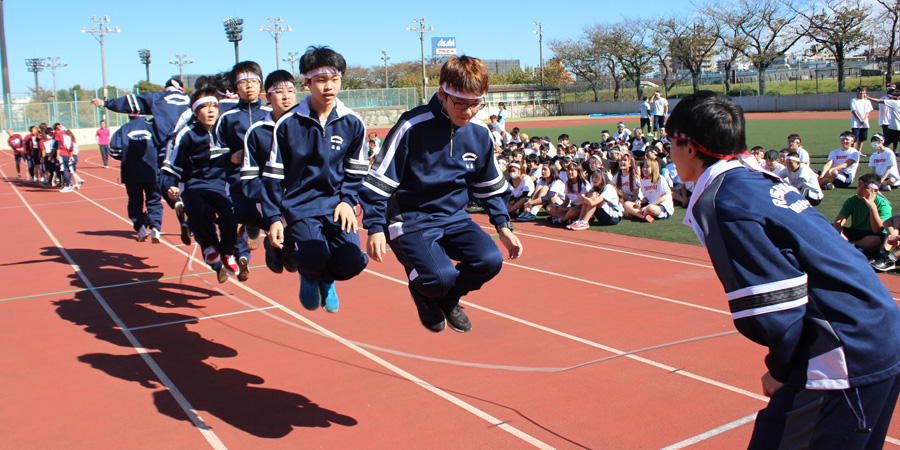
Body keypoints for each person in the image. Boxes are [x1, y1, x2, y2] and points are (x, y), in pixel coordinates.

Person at [668, 90, 900, 450]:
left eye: (671, 142)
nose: (670, 152)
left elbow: (776, 307)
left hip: (845, 350)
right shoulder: (756, 180)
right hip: (875, 328)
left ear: (689, 145)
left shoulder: (724, 200)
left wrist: (780, 370)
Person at [360, 55, 523, 333]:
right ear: (442, 94)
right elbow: (379, 182)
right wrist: (374, 228)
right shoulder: (412, 127)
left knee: (490, 260)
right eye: (460, 103)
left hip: (453, 216)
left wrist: (504, 226)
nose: (468, 111)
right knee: (439, 276)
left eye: (476, 104)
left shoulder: (480, 133)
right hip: (410, 218)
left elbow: (489, 186)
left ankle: (449, 299)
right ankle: (426, 294)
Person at [263, 46, 370, 313]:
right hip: (301, 206)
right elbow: (274, 176)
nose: (329, 87)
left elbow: (356, 171)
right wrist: (273, 218)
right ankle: (309, 275)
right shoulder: (287, 124)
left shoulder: (353, 123)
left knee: (353, 262)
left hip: (337, 205)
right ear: (307, 83)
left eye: (335, 79)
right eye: (321, 80)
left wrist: (347, 200)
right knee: (314, 255)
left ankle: (326, 278)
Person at [161, 88, 238, 284]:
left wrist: (233, 158)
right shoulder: (186, 134)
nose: (211, 110)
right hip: (193, 184)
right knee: (196, 211)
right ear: (195, 113)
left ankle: (228, 253)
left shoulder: (225, 130)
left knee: (230, 216)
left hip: (220, 185)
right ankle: (210, 246)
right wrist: (171, 185)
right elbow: (173, 163)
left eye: (214, 106)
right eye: (204, 106)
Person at [215, 61, 272, 282]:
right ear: (235, 87)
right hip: (236, 178)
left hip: (267, 177)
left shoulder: (270, 113)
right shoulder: (226, 117)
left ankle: (271, 245)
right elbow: (213, 148)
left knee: (271, 216)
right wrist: (228, 156)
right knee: (233, 217)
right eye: (243, 82)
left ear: (261, 85)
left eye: (254, 81)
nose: (249, 86)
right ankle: (239, 257)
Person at [242, 69, 299, 274]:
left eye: (290, 90)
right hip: (267, 198)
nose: (286, 96)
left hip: (299, 197)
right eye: (279, 91)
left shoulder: (307, 126)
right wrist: (269, 198)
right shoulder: (256, 131)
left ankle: (283, 245)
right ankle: (273, 240)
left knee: (295, 263)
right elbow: (249, 177)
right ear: (267, 96)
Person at [109, 114, 164, 243]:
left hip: (131, 173)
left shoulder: (124, 129)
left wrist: (128, 157)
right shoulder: (154, 128)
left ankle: (141, 228)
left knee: (135, 202)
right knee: (154, 200)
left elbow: (114, 150)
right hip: (152, 171)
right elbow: (164, 147)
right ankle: (156, 228)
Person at [832, 172, 892, 254]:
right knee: (828, 227)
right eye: (859, 185)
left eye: (865, 187)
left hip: (873, 235)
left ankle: (850, 246)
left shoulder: (883, 205)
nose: (860, 189)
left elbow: (877, 229)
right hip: (856, 232)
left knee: (876, 240)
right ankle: (855, 247)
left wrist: (872, 207)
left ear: (875, 190)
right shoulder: (852, 200)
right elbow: (839, 221)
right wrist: (839, 234)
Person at [623, 158, 672, 222]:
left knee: (650, 209)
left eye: (647, 167)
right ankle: (643, 216)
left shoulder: (660, 179)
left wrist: (647, 206)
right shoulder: (644, 180)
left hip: (661, 206)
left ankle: (634, 214)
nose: (644, 169)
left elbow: (663, 198)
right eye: (643, 167)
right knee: (627, 204)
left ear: (653, 168)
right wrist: (640, 202)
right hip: (648, 205)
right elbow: (646, 198)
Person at [850, 86, 873, 154]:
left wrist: (864, 120)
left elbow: (868, 111)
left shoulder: (867, 101)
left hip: (865, 123)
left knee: (862, 138)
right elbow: (854, 111)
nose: (862, 93)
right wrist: (860, 120)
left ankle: (859, 152)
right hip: (856, 123)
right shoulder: (854, 100)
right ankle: (852, 152)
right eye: (860, 91)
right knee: (855, 139)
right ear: (857, 92)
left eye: (863, 91)